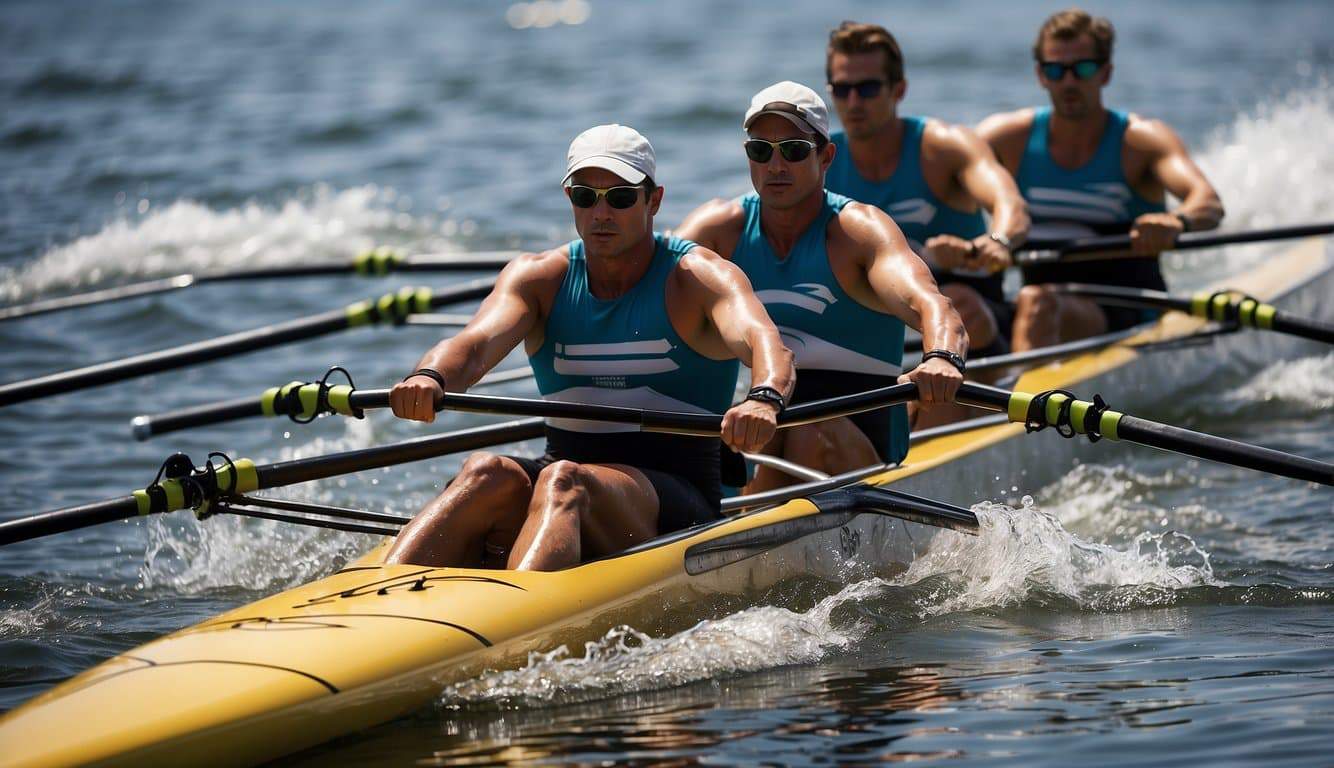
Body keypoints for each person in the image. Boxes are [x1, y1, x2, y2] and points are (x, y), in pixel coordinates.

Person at [386, 124, 795, 571]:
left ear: (653, 200)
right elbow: (474, 344)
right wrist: (428, 376)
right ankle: (377, 596)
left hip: (677, 497)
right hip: (563, 473)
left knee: (563, 481)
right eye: (585, 197)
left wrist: (764, 398)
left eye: (619, 198)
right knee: (486, 472)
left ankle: (521, 617)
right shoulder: (539, 278)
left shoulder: (695, 277)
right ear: (570, 200)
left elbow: (765, 344)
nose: (601, 213)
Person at [675, 82, 968, 493]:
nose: (775, 165)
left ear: (826, 156)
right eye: (760, 151)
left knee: (807, 429)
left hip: (862, 439)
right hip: (772, 420)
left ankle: (748, 523)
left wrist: (941, 356)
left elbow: (931, 305)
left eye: (793, 150)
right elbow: (651, 281)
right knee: (771, 430)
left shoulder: (858, 233)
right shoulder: (720, 229)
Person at [978, 7, 1224, 351]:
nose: (1068, 82)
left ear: (1106, 73)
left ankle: (1014, 400)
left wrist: (1176, 221)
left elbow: (1208, 202)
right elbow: (943, 180)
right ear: (1040, 75)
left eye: (1083, 69)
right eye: (1056, 70)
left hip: (1128, 310)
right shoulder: (1006, 137)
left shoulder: (1140, 141)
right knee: (965, 307)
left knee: (1037, 303)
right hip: (1045, 307)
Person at [824, 20, 1029, 363]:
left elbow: (1008, 202)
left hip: (973, 315)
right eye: (843, 90)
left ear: (899, 89)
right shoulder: (821, 163)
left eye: (868, 88)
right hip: (880, 313)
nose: (854, 101)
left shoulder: (943, 148)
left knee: (957, 302)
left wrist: (998, 241)